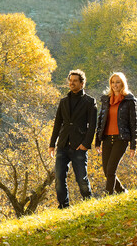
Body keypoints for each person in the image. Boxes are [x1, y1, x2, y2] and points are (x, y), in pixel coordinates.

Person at [48, 69, 97, 209]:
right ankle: (63, 206)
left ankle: (88, 204)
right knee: (58, 179)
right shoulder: (63, 102)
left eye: (75, 81)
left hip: (79, 146)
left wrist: (85, 145)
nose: (72, 83)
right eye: (70, 80)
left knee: (81, 179)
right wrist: (52, 144)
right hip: (63, 145)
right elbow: (57, 123)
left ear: (82, 84)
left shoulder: (90, 102)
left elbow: (92, 126)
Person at [95, 72, 137, 195]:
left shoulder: (129, 100)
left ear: (123, 83)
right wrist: (97, 141)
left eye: (118, 82)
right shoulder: (106, 100)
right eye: (113, 82)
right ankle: (122, 191)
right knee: (106, 170)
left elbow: (133, 124)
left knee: (111, 169)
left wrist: (133, 145)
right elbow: (101, 121)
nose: (115, 85)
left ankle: (108, 194)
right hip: (107, 138)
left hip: (121, 139)